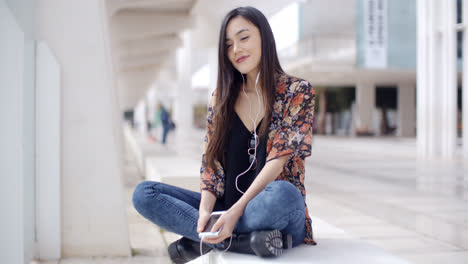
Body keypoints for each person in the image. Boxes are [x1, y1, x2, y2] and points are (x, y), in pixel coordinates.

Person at [132, 6, 317, 263]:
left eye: (244, 38)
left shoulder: (297, 91)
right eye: (228, 45)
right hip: (225, 206)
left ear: (264, 37)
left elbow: (278, 160)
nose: (236, 50)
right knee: (144, 194)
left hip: (273, 210)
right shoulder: (221, 99)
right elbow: (211, 166)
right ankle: (243, 242)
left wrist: (235, 212)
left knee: (283, 194)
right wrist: (205, 211)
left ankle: (210, 239)